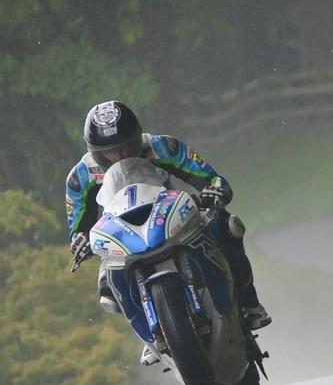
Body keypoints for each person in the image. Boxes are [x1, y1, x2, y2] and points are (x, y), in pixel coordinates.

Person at [66, 100, 271, 367]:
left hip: (170, 217)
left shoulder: (162, 147)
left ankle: (249, 303)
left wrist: (214, 190)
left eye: (126, 146)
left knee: (226, 226)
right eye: (109, 153)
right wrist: (80, 240)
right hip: (122, 232)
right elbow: (77, 224)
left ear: (137, 136)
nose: (120, 156)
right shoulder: (80, 176)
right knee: (105, 280)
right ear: (95, 152)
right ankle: (150, 332)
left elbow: (211, 178)